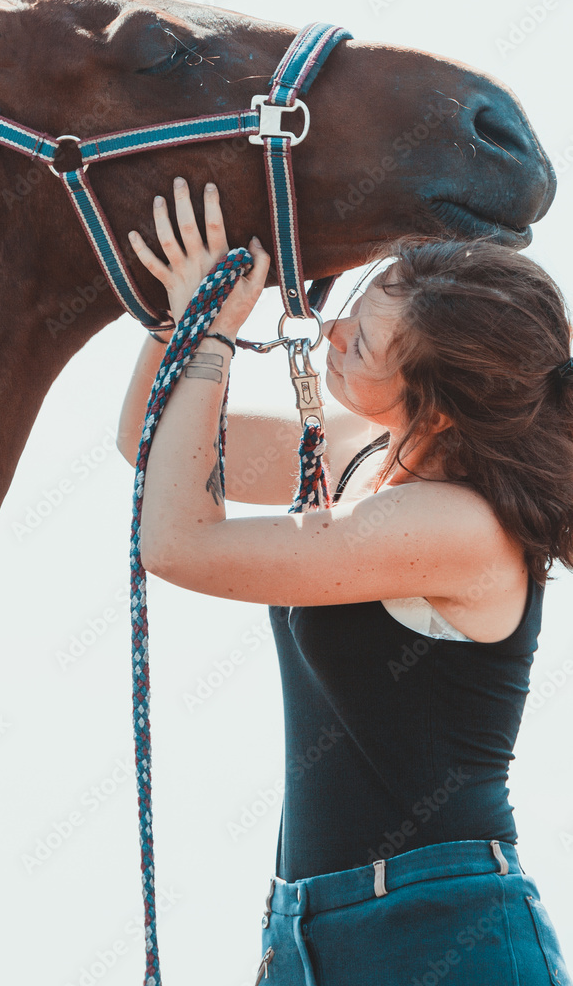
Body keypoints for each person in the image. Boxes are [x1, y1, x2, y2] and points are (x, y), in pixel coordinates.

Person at [116, 175, 573, 986]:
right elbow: (150, 447)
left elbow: (179, 541)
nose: (328, 331)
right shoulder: (362, 446)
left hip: (444, 930)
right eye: (354, 309)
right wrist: (179, 318)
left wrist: (214, 338)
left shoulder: (457, 526)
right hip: (306, 929)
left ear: (435, 411)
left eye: (360, 343)